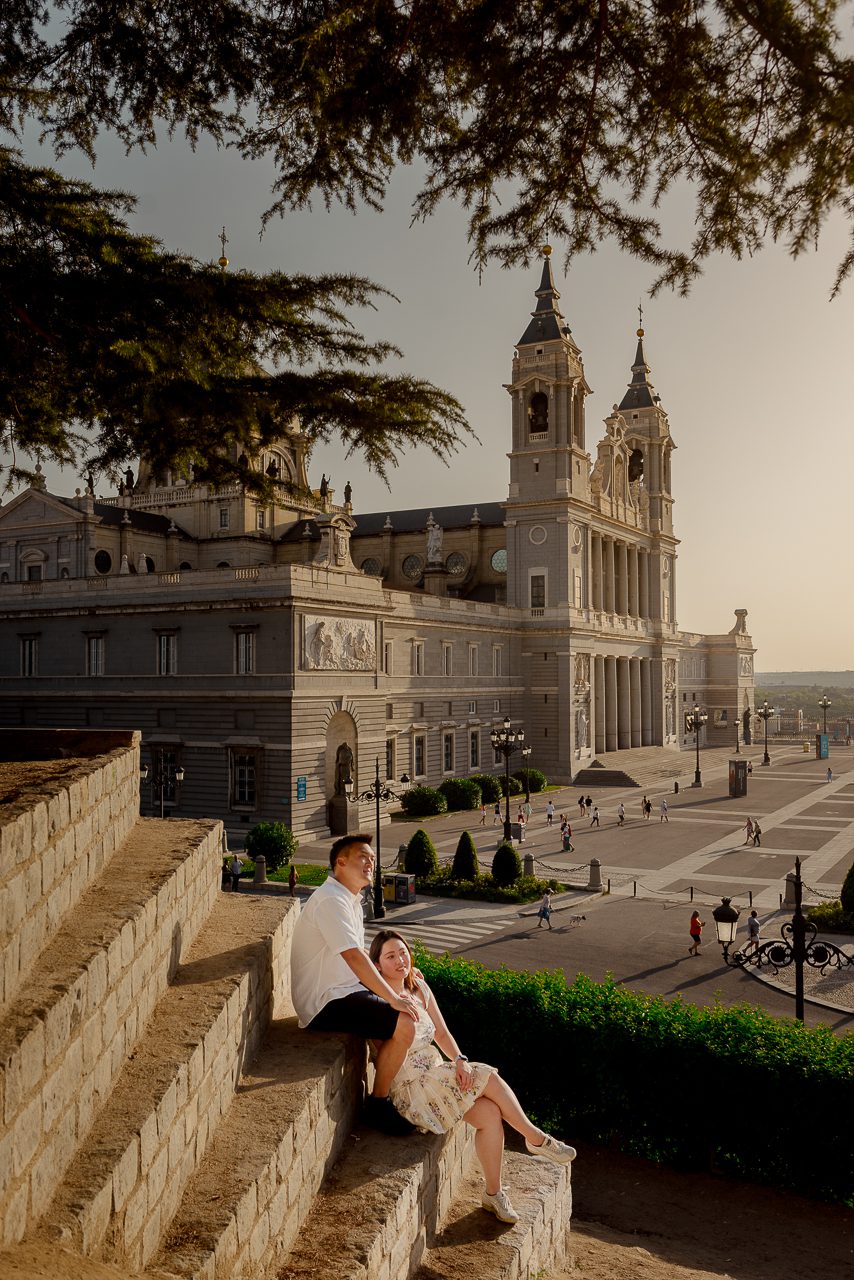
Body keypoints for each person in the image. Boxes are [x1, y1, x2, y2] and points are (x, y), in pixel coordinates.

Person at [369, 930, 575, 1223]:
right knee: (489, 1077)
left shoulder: (419, 989)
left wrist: (460, 1061)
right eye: (390, 956)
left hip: (438, 1076)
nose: (400, 960)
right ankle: (535, 1138)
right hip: (412, 1089)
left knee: (490, 1114)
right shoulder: (377, 1001)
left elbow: (441, 1032)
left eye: (403, 952)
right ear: (376, 965)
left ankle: (494, 1193)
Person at [290, 835, 421, 1136]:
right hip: (325, 1002)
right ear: (340, 862)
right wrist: (392, 997)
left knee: (399, 1010)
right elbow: (353, 956)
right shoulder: (331, 900)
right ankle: (379, 1104)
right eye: (363, 857)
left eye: (372, 859)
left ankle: (393, 1092)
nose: (370, 863)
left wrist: (396, 981)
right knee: (404, 1023)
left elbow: (360, 957)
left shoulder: (347, 899)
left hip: (343, 992)